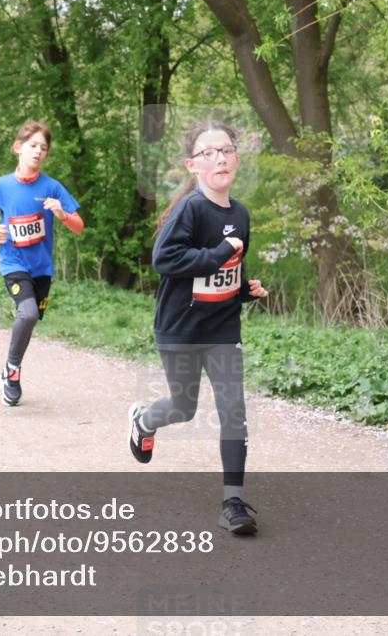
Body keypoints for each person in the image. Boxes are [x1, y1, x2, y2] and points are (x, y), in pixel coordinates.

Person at [127, 122, 268, 535]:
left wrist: (245, 289)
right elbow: (165, 260)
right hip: (181, 329)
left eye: (226, 150)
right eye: (209, 153)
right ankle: (144, 421)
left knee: (234, 411)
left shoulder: (241, 213)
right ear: (193, 165)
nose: (220, 158)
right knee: (183, 408)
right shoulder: (190, 209)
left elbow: (226, 270)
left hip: (223, 328)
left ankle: (233, 502)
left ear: (237, 158)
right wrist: (222, 251)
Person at [0, 120, 84, 407]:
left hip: (42, 268)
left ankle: (9, 368)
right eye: (32, 145)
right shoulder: (1, 186)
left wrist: (61, 214)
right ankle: (12, 372)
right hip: (13, 262)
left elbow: (79, 226)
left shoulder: (52, 187)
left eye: (43, 148)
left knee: (32, 319)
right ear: (18, 148)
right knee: (27, 314)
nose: (38, 151)